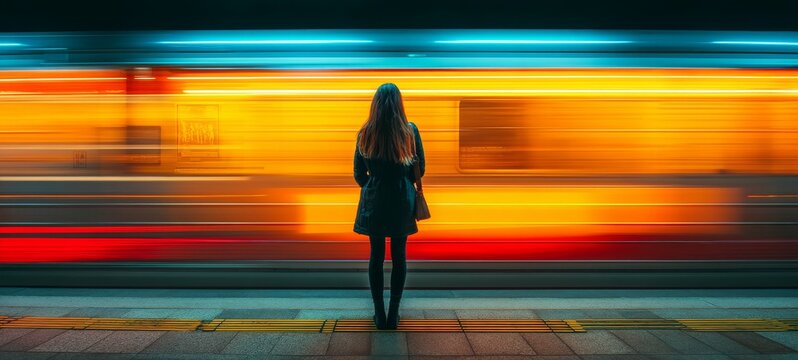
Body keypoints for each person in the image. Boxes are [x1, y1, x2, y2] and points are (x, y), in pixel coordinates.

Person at [353, 83, 425, 330]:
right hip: (401, 201)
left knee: (376, 257)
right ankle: (394, 313)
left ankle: (379, 313)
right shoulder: (409, 131)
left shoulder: (365, 133)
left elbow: (358, 174)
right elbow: (420, 170)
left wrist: (374, 184)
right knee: (399, 256)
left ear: (375, 105)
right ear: (399, 103)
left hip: (374, 202)